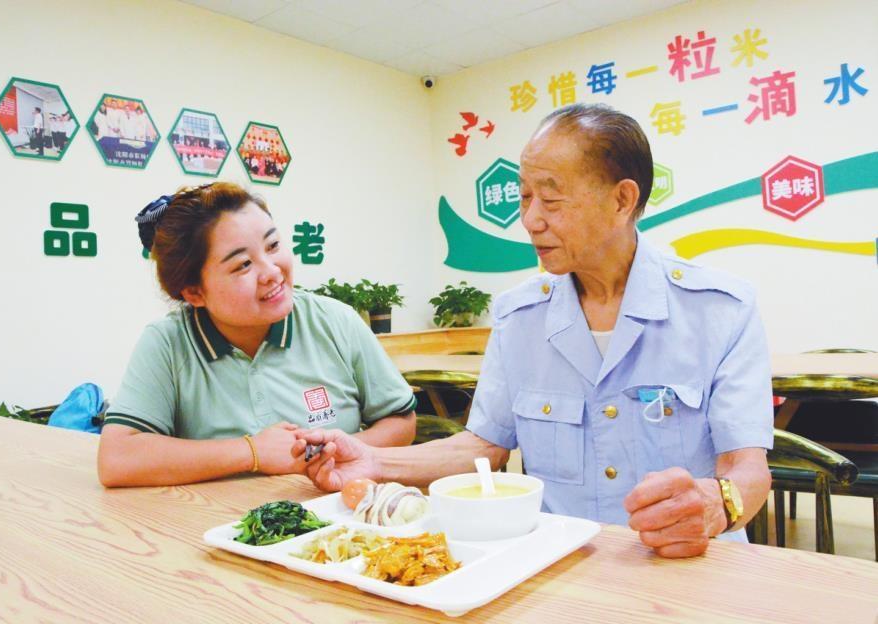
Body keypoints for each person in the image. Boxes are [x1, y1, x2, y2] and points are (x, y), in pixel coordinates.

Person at [294, 103, 774, 559]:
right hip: (561, 562)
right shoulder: (518, 317)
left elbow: (747, 469)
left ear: (622, 199)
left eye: (551, 198)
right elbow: (483, 446)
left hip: (687, 564)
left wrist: (717, 505)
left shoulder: (720, 310)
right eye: (525, 196)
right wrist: (375, 462)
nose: (530, 219)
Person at [97, 182, 417, 487]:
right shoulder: (167, 343)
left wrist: (330, 455)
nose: (272, 271)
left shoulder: (335, 321)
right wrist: (254, 452)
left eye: (273, 245)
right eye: (243, 265)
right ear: (195, 292)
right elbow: (117, 459)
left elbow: (401, 421)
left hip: (333, 512)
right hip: (216, 524)